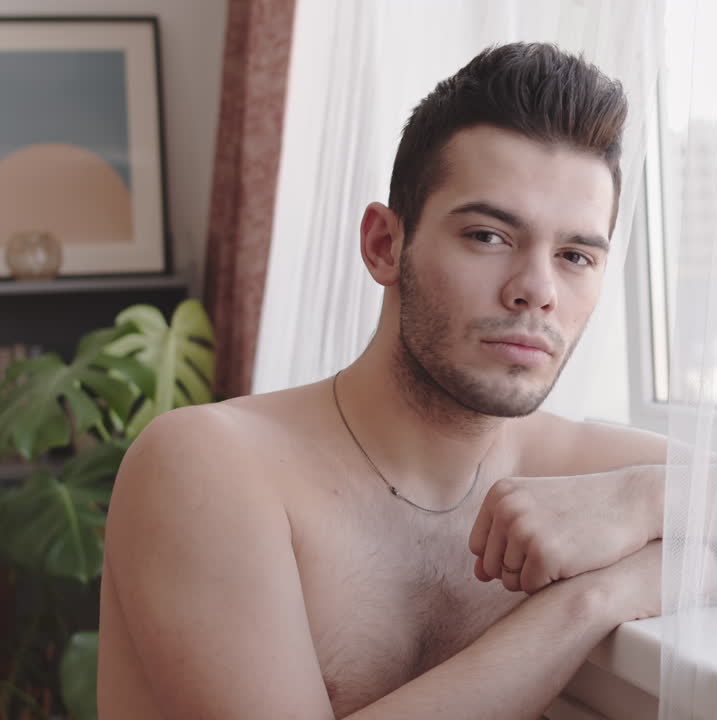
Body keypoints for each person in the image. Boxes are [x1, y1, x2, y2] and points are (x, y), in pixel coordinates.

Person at [98, 42, 673, 719]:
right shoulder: (210, 466)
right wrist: (591, 602)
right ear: (384, 245)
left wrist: (645, 500)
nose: (537, 291)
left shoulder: (571, 470)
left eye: (576, 255)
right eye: (488, 236)